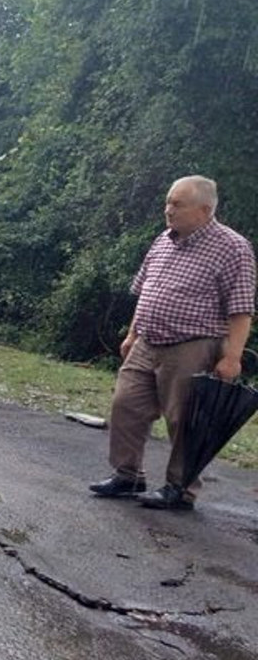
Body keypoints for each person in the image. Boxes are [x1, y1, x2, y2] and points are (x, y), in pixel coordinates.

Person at [89, 175, 255, 510]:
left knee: (184, 419)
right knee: (126, 405)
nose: (168, 210)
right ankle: (127, 475)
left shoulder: (233, 248)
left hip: (192, 344)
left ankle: (180, 488)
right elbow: (146, 290)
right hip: (147, 340)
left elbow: (241, 309)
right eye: (168, 202)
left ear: (204, 210)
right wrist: (132, 333)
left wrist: (232, 358)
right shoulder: (163, 240)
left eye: (177, 204)